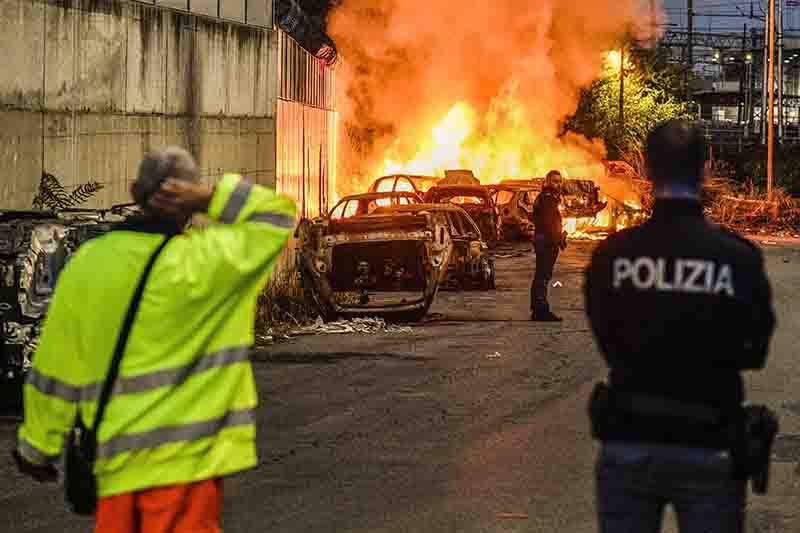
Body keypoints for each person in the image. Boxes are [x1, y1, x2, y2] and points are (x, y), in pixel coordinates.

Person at [13, 147, 296, 532]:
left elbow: (54, 370)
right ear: (188, 203)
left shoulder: (89, 264)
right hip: (189, 472)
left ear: (133, 192)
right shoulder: (211, 263)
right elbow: (276, 215)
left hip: (117, 470)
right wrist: (210, 198)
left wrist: (37, 448)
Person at [585, 120, 776, 533]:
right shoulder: (736, 258)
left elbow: (606, 337)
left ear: (649, 173)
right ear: (703, 170)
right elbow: (755, 350)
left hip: (630, 437)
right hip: (708, 441)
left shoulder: (613, 257)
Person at [530, 169, 567, 321]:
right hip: (546, 241)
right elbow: (549, 223)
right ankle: (541, 310)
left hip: (545, 239)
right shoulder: (548, 199)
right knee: (543, 275)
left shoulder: (547, 197)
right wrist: (558, 238)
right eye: (554, 181)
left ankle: (537, 309)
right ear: (547, 182)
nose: (557, 185)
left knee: (542, 274)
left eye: (559, 182)